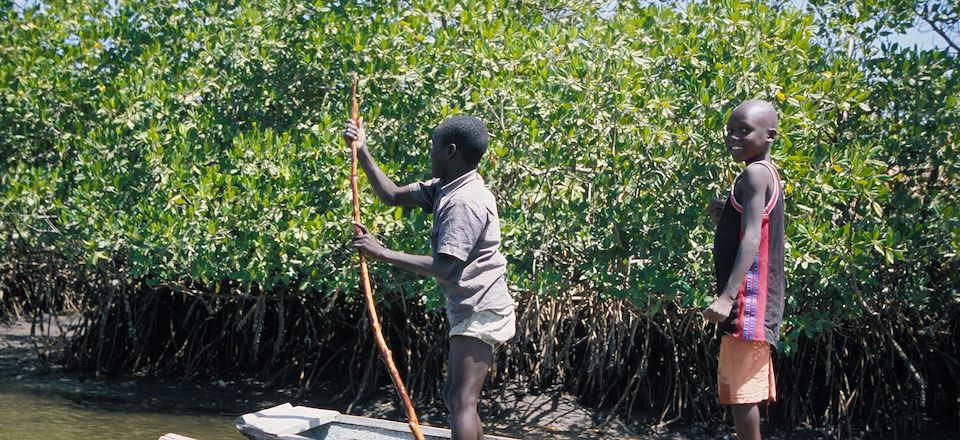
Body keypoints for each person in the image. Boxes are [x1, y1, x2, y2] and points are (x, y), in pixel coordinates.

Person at [344, 115, 516, 440]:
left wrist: (381, 253)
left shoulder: (463, 202)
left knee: (462, 400)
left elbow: (443, 268)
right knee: (456, 397)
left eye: (434, 147)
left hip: (481, 308)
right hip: (473, 307)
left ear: (450, 151)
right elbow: (391, 195)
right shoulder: (444, 187)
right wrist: (362, 149)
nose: (430, 154)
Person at [705, 100, 786, 440]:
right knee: (742, 389)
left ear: (770, 135)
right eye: (730, 131)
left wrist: (726, 298)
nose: (733, 137)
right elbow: (751, 225)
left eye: (744, 131)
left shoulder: (754, 173)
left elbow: (753, 237)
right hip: (754, 299)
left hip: (750, 300)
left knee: (744, 392)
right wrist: (723, 215)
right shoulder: (762, 172)